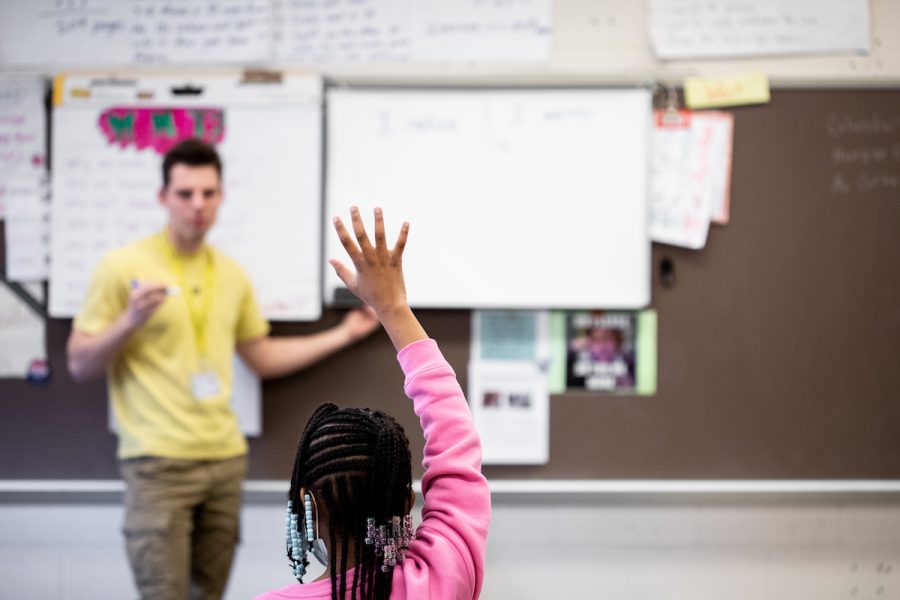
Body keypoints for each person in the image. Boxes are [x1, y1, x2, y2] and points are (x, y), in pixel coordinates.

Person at [66, 139, 380, 600]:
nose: (198, 205)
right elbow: (79, 362)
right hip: (157, 462)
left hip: (224, 461)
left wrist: (345, 334)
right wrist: (129, 321)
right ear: (163, 197)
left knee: (209, 596)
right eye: (186, 193)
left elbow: (262, 357)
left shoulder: (231, 274)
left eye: (208, 193)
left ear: (220, 196)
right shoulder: (122, 268)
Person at [254, 206, 491, 600]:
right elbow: (456, 441)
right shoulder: (444, 574)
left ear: (306, 504)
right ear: (406, 501)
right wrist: (394, 307)